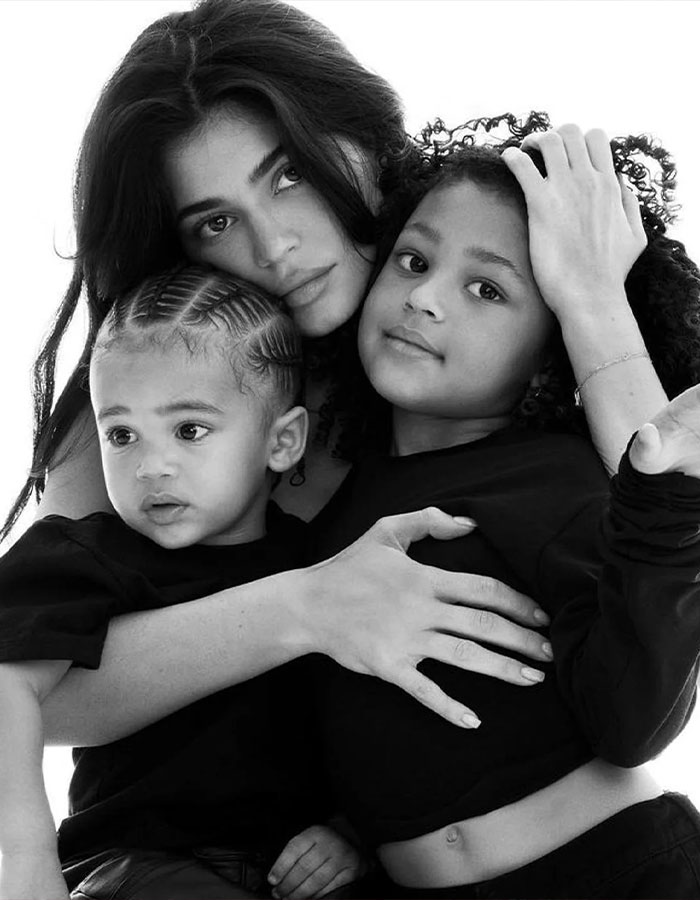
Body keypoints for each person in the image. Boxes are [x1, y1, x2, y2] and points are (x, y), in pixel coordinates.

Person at [0, 0, 677, 890]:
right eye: (214, 222)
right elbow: (45, 695)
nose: (276, 245)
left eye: (288, 175)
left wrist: (591, 294)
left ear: (363, 138)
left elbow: (665, 520)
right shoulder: (143, 411)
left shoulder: (489, 334)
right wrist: (305, 607)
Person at [305, 137, 700, 898]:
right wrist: (352, 825)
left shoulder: (556, 479)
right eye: (413, 261)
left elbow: (634, 724)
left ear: (550, 351)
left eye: (486, 289)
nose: (424, 297)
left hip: (619, 875)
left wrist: (664, 505)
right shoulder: (335, 508)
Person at [0, 265, 376, 900]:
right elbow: (7, 685)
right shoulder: (88, 556)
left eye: (189, 430)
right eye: (122, 435)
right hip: (134, 868)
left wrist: (352, 831)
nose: (151, 467)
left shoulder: (323, 564)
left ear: (283, 441)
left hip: (285, 876)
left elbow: (368, 727)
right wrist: (26, 864)